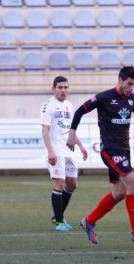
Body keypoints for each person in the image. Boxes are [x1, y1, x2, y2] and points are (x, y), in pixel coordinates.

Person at [67, 66, 134, 245]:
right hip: (110, 150)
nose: (131, 88)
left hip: (124, 150)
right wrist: (72, 134)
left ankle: (89, 221)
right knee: (133, 183)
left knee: (120, 192)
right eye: (129, 84)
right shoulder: (104, 97)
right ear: (120, 80)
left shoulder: (132, 99)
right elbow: (79, 111)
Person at [41, 76, 88, 232]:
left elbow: (70, 129)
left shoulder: (69, 105)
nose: (63, 90)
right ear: (53, 89)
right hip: (56, 150)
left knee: (72, 184)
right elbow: (45, 130)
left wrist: (81, 146)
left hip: (69, 150)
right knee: (59, 184)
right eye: (60, 87)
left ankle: (57, 215)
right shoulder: (48, 106)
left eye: (65, 87)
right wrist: (50, 151)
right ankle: (60, 222)